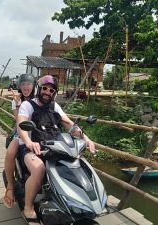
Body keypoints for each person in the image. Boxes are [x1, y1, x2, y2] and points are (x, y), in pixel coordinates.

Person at [17, 75, 95, 224]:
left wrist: (86, 139)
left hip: (55, 146)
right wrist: (28, 141)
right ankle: (28, 208)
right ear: (39, 89)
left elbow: (69, 125)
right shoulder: (28, 105)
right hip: (33, 147)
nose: (47, 92)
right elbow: (22, 124)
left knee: (77, 164)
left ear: (54, 93)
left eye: (51, 90)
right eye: (45, 88)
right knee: (39, 169)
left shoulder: (54, 106)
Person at [3, 73, 35, 208]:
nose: (26, 87)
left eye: (28, 84)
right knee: (10, 152)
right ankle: (10, 186)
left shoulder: (38, 99)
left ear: (33, 86)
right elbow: (18, 121)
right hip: (22, 134)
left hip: (38, 134)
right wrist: (17, 104)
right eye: (23, 84)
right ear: (19, 86)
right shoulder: (17, 100)